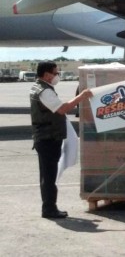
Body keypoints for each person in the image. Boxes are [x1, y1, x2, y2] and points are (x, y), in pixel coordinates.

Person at [30, 61, 93, 218]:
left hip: (46, 137)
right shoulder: (44, 91)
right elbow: (62, 109)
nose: (57, 76)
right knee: (49, 176)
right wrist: (82, 96)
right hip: (48, 138)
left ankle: (49, 207)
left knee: (47, 175)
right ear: (46, 75)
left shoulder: (39, 88)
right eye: (55, 73)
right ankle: (49, 209)